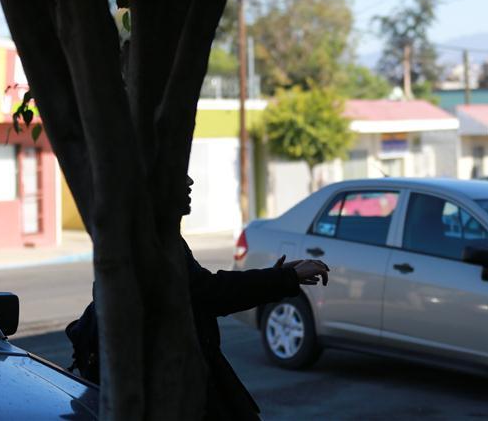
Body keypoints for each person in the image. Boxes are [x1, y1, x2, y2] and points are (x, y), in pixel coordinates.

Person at [67, 177, 329, 420]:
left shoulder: (153, 234)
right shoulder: (149, 239)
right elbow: (207, 293)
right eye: (178, 172)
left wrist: (279, 277)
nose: (190, 181)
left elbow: (201, 289)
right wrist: (285, 279)